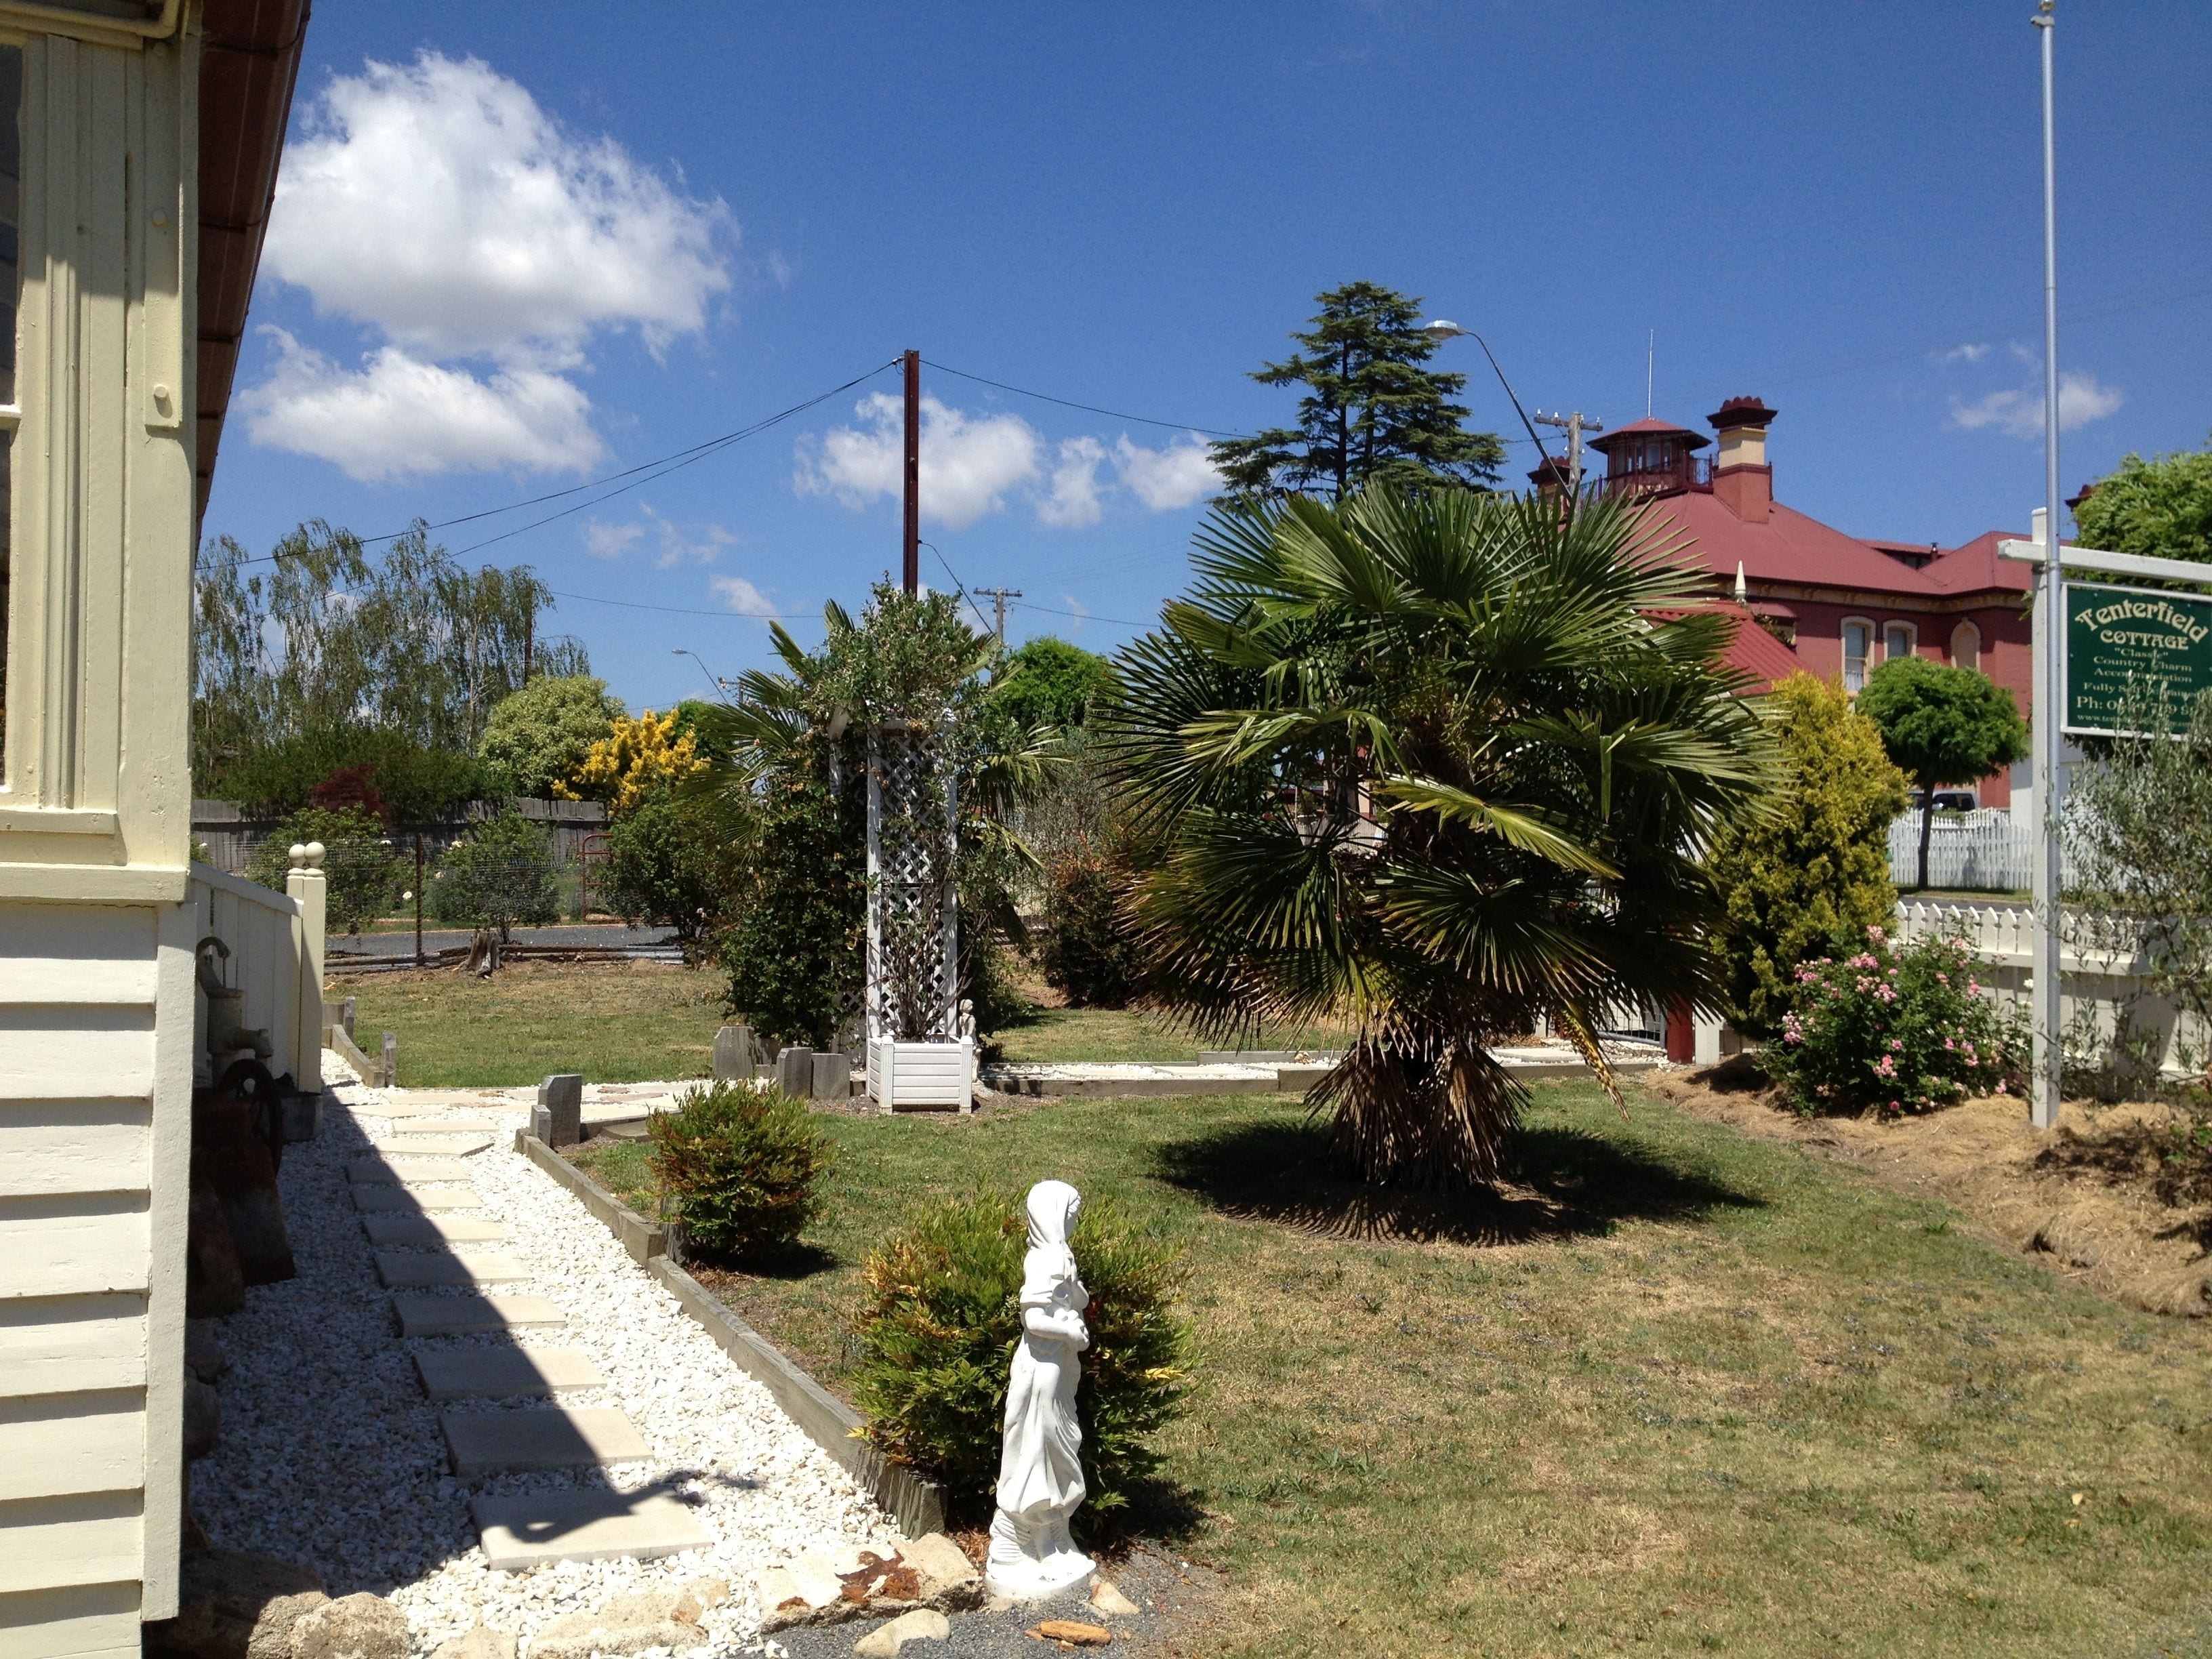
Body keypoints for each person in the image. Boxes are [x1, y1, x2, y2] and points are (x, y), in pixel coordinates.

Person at [985, 1179, 1097, 1599]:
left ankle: (1053, 1537)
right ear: (1053, 1213)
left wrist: (1075, 1297)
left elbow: (1075, 1300)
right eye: (1071, 1212)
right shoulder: (1043, 1260)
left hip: (1061, 1370)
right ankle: (1025, 1542)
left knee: (1061, 1448)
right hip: (1042, 1370)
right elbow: (1033, 1321)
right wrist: (1069, 1332)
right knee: (1038, 1450)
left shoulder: (1059, 1257)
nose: (1074, 1220)